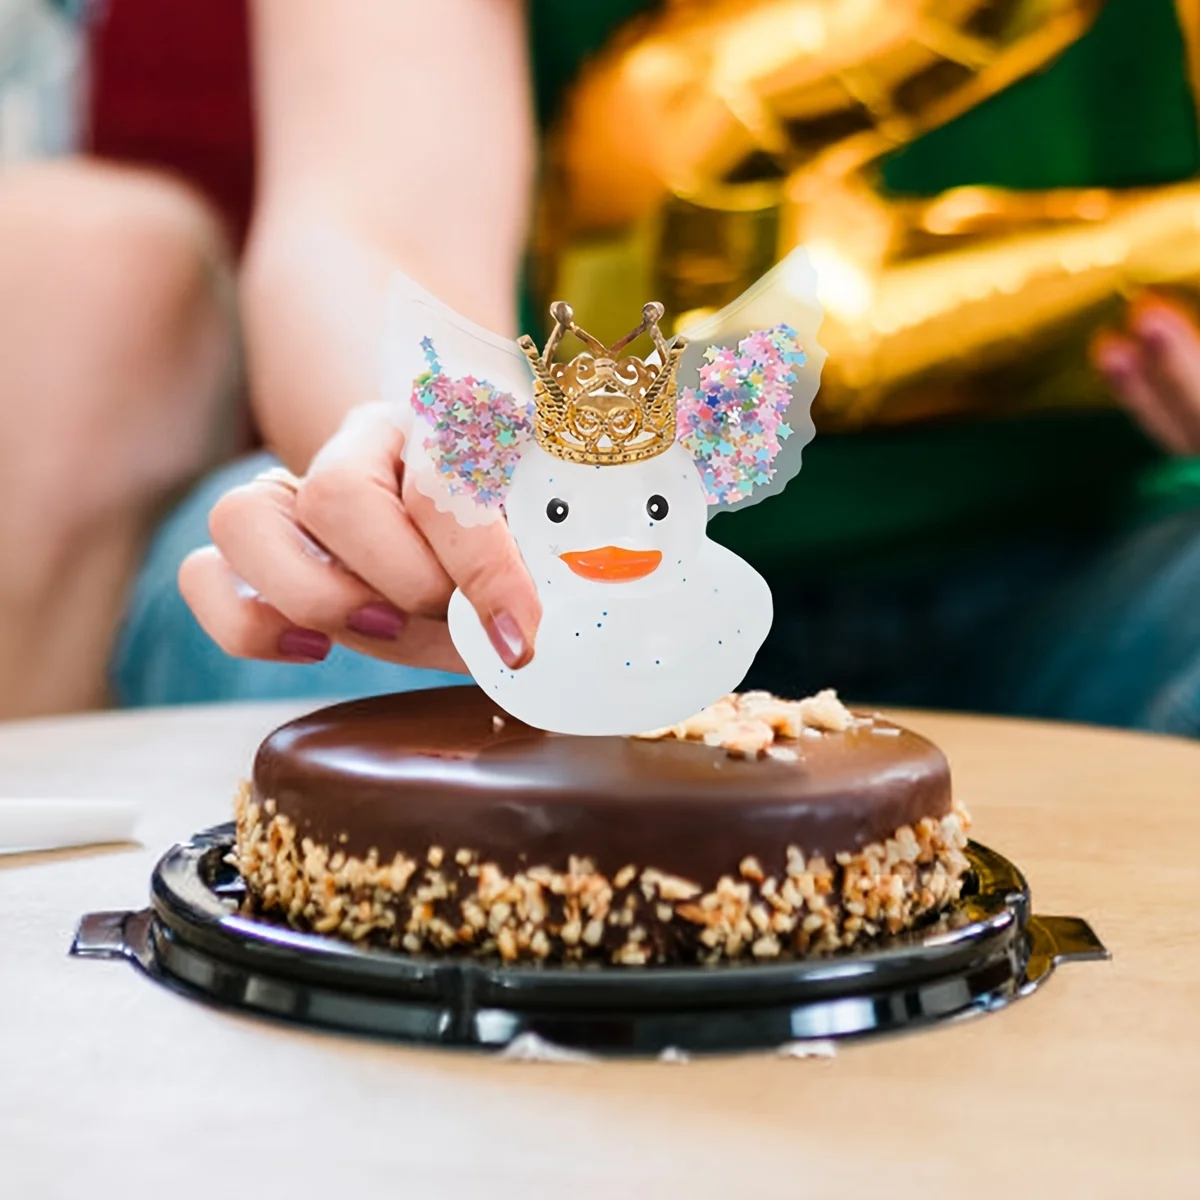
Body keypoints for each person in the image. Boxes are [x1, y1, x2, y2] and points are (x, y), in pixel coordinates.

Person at [3, 0, 1200, 735]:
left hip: (1115, 562)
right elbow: (375, 220)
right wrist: (427, 471)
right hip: (554, 576)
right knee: (307, 669)